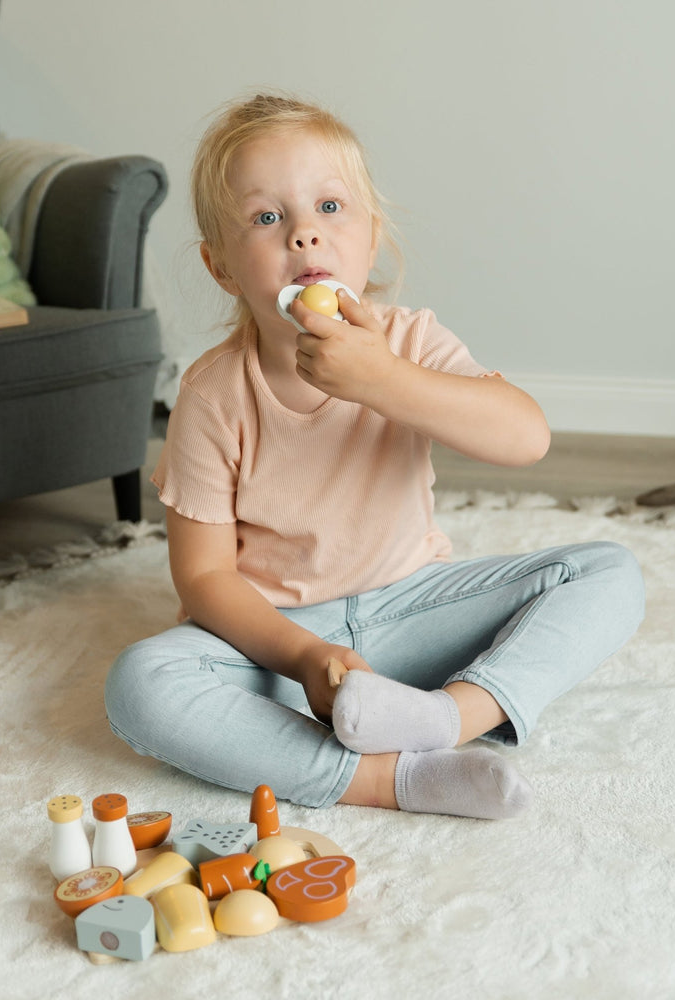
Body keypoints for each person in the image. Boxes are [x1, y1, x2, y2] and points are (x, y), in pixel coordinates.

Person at [105, 93, 645, 820]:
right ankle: (395, 779)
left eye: (331, 208)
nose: (305, 236)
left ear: (371, 237)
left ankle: (449, 719)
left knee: (610, 573)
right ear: (222, 267)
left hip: (415, 608)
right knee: (140, 682)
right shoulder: (211, 393)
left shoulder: (411, 342)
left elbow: (525, 437)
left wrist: (386, 380)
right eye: (268, 219)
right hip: (287, 645)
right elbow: (202, 576)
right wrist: (303, 660)